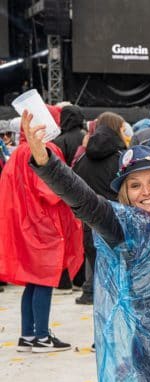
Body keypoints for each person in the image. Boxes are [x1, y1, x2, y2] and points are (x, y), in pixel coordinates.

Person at [23, 110, 150, 382]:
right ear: (125, 194)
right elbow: (85, 202)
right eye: (135, 185)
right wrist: (46, 162)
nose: (146, 192)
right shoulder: (123, 227)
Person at [0, 106, 82, 354]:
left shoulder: (17, 154)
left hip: (23, 225)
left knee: (32, 283)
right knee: (44, 280)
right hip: (43, 225)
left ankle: (27, 335)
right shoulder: (44, 150)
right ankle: (42, 337)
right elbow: (53, 190)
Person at [71, 111, 128, 305]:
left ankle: (92, 294)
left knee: (94, 261)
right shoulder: (121, 158)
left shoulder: (81, 159)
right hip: (115, 221)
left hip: (89, 221)